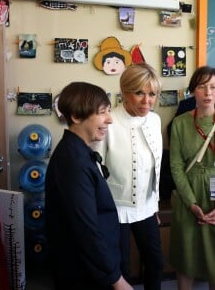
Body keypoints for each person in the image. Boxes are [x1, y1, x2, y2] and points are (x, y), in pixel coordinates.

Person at [45, 82, 133, 290]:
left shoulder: (78, 151)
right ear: (76, 116)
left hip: (94, 266)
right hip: (84, 273)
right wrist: (116, 280)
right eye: (102, 112)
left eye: (109, 111)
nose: (110, 119)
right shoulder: (73, 162)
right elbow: (86, 228)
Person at [92, 63, 164, 290]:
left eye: (152, 94)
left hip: (147, 207)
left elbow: (155, 168)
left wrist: (155, 206)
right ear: (124, 91)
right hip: (115, 209)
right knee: (122, 269)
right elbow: (96, 172)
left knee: (155, 263)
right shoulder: (108, 121)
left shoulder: (155, 120)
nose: (147, 101)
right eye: (139, 93)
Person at [169, 66, 215, 290]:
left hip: (214, 192)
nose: (208, 92)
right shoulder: (180, 123)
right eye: (202, 86)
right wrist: (192, 203)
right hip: (188, 196)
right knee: (185, 257)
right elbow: (176, 166)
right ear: (193, 91)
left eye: (214, 87)